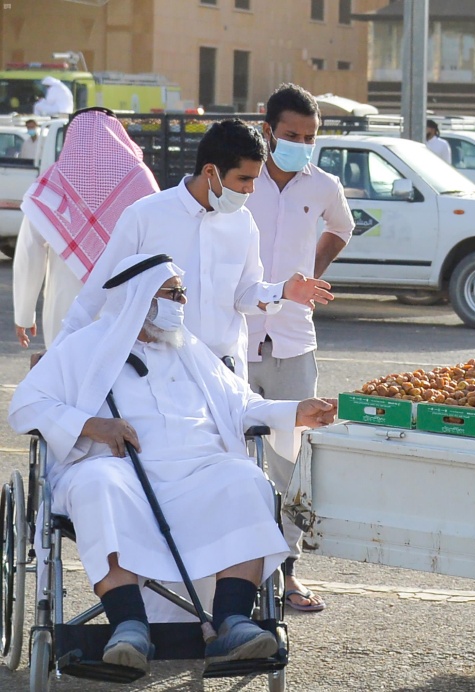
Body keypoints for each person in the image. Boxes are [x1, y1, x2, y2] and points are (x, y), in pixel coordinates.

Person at [8, 253, 337, 672]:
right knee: (96, 485)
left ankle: (234, 622)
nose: (181, 302)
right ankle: (128, 627)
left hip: (199, 470)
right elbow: (25, 407)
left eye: (182, 293)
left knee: (246, 480)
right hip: (119, 471)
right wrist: (92, 424)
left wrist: (294, 411)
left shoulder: (189, 348)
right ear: (140, 298)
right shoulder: (83, 347)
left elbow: (243, 406)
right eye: (172, 293)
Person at [54, 119, 334, 380]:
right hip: (158, 374)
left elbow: (244, 294)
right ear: (210, 171)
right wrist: (58, 356)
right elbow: (98, 293)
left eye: (254, 181)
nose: (250, 190)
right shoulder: (145, 216)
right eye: (243, 179)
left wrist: (282, 291)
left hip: (222, 373)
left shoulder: (243, 222)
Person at [246, 83, 354, 613]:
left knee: (289, 463)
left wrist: (311, 274)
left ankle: (287, 574)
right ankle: (231, 578)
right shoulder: (241, 178)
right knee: (230, 457)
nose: (300, 144)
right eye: (291, 135)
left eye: (309, 137)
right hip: (234, 338)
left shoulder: (324, 184)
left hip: (293, 337)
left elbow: (342, 228)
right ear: (268, 131)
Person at [14, 108, 159, 349]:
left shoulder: (54, 183)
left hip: (65, 306)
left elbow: (30, 252)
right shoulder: (140, 180)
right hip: (123, 305)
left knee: (66, 378)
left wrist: (24, 313)